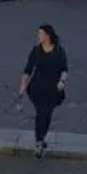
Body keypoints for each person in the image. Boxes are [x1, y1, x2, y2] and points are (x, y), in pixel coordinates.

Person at [17, 23, 68, 158]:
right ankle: (39, 141)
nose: (38, 36)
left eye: (41, 34)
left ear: (48, 36)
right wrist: (22, 86)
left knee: (47, 114)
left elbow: (64, 69)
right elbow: (28, 70)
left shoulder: (59, 51)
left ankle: (42, 137)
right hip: (37, 88)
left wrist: (62, 82)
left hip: (53, 89)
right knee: (41, 113)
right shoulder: (36, 51)